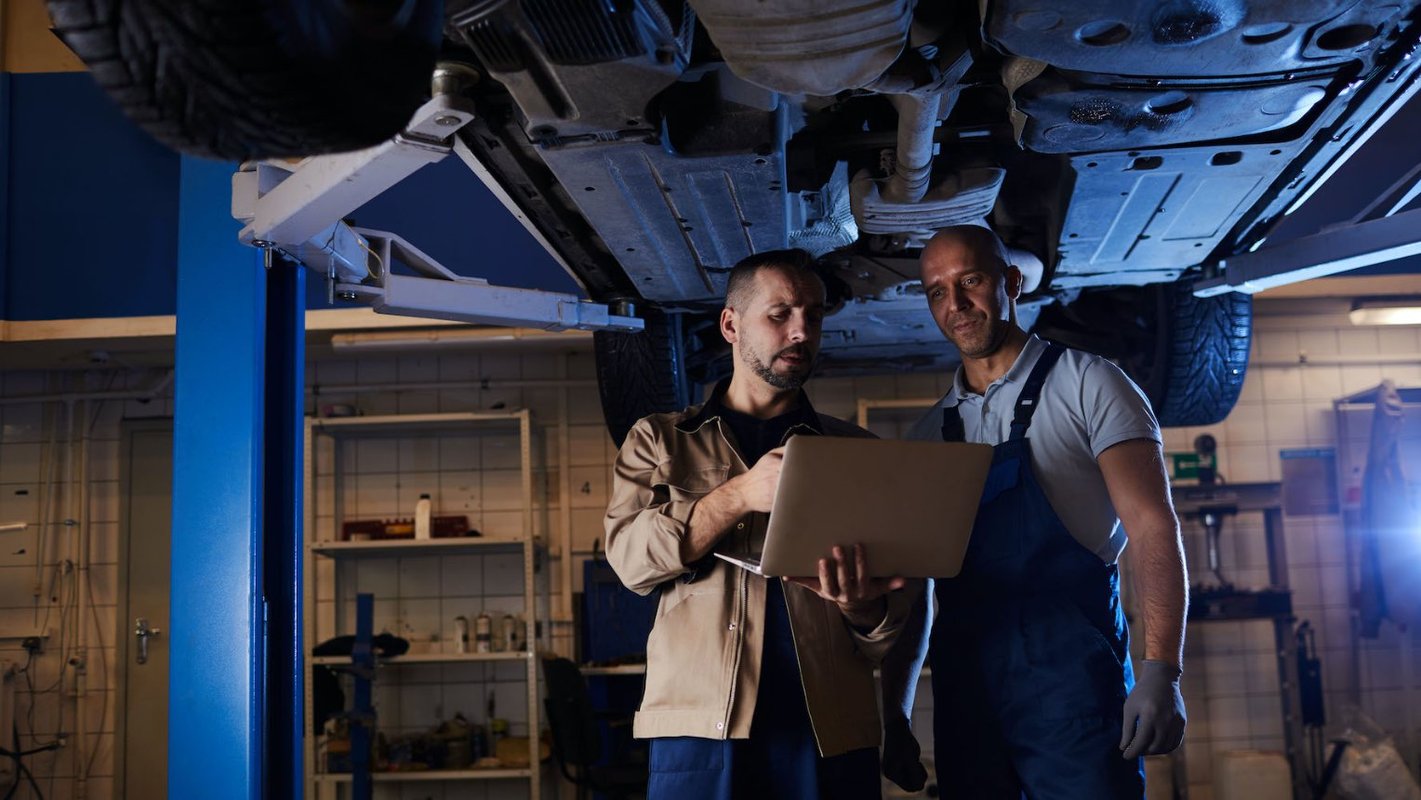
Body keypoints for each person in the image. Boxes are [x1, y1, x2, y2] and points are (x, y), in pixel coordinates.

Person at [886, 225, 1189, 798]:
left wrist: (1162, 672)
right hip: (967, 693)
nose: (956, 304)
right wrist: (896, 712)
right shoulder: (929, 436)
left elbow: (1154, 528)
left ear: (1012, 282)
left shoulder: (1089, 385)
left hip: (1072, 684)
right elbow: (918, 594)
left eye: (970, 280)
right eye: (936, 291)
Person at [604, 247, 914, 800]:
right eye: (780, 314)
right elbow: (630, 561)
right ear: (731, 324)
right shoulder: (657, 440)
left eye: (813, 316)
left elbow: (888, 632)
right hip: (699, 731)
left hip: (829, 732)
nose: (801, 331)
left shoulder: (856, 454)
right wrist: (738, 495)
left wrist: (860, 606)